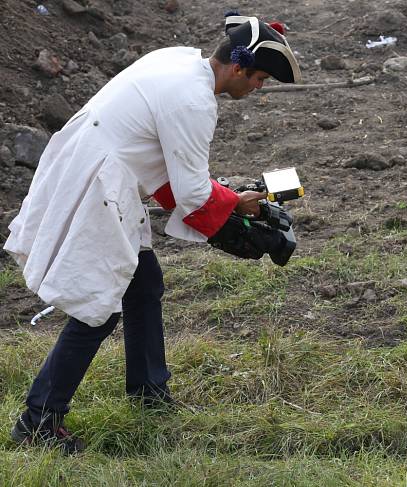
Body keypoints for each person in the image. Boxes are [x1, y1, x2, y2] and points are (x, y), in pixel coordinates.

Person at [2, 14, 302, 453]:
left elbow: (167, 167)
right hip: (101, 187)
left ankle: (149, 394)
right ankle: (38, 423)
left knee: (142, 286)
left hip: (96, 171)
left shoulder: (175, 59)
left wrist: (230, 198)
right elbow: (193, 194)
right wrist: (234, 204)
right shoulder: (195, 102)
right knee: (96, 309)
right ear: (237, 67)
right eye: (259, 77)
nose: (259, 87)